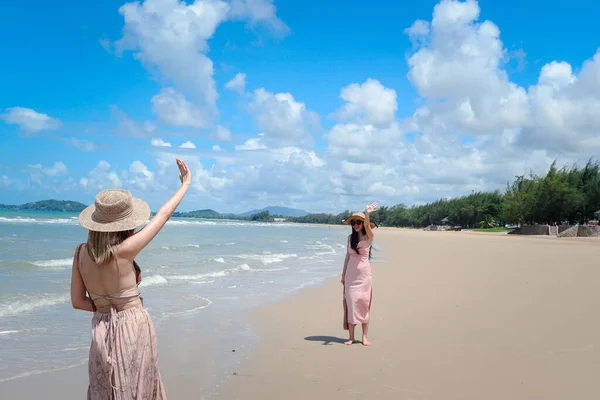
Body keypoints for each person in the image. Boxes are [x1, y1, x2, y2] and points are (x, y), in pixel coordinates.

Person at [70, 158, 191, 399]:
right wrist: (185, 184)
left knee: (105, 387)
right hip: (133, 324)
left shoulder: (80, 252)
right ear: (125, 223)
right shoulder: (125, 250)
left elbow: (77, 302)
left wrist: (105, 308)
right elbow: (163, 215)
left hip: (101, 327)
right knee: (138, 384)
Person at [341, 202, 378, 346]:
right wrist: (343, 275)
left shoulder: (368, 236)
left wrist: (367, 213)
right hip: (351, 277)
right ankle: (351, 337)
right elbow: (347, 257)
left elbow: (368, 226)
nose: (356, 224)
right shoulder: (350, 239)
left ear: (363, 224)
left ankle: (364, 337)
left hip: (364, 278)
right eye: (354, 222)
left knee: (363, 304)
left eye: (358, 222)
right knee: (351, 304)